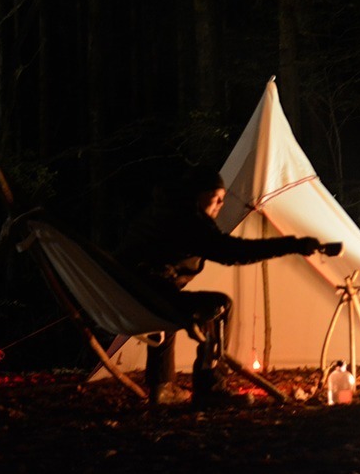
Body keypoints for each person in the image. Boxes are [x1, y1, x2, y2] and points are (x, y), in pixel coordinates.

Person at [117, 164, 324, 407]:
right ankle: (210, 387)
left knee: (169, 307)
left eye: (222, 200)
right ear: (196, 195)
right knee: (218, 305)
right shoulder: (187, 219)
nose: (219, 205)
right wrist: (294, 245)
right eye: (215, 198)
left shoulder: (160, 211)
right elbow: (233, 252)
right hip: (146, 295)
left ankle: (162, 387)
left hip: (132, 293)